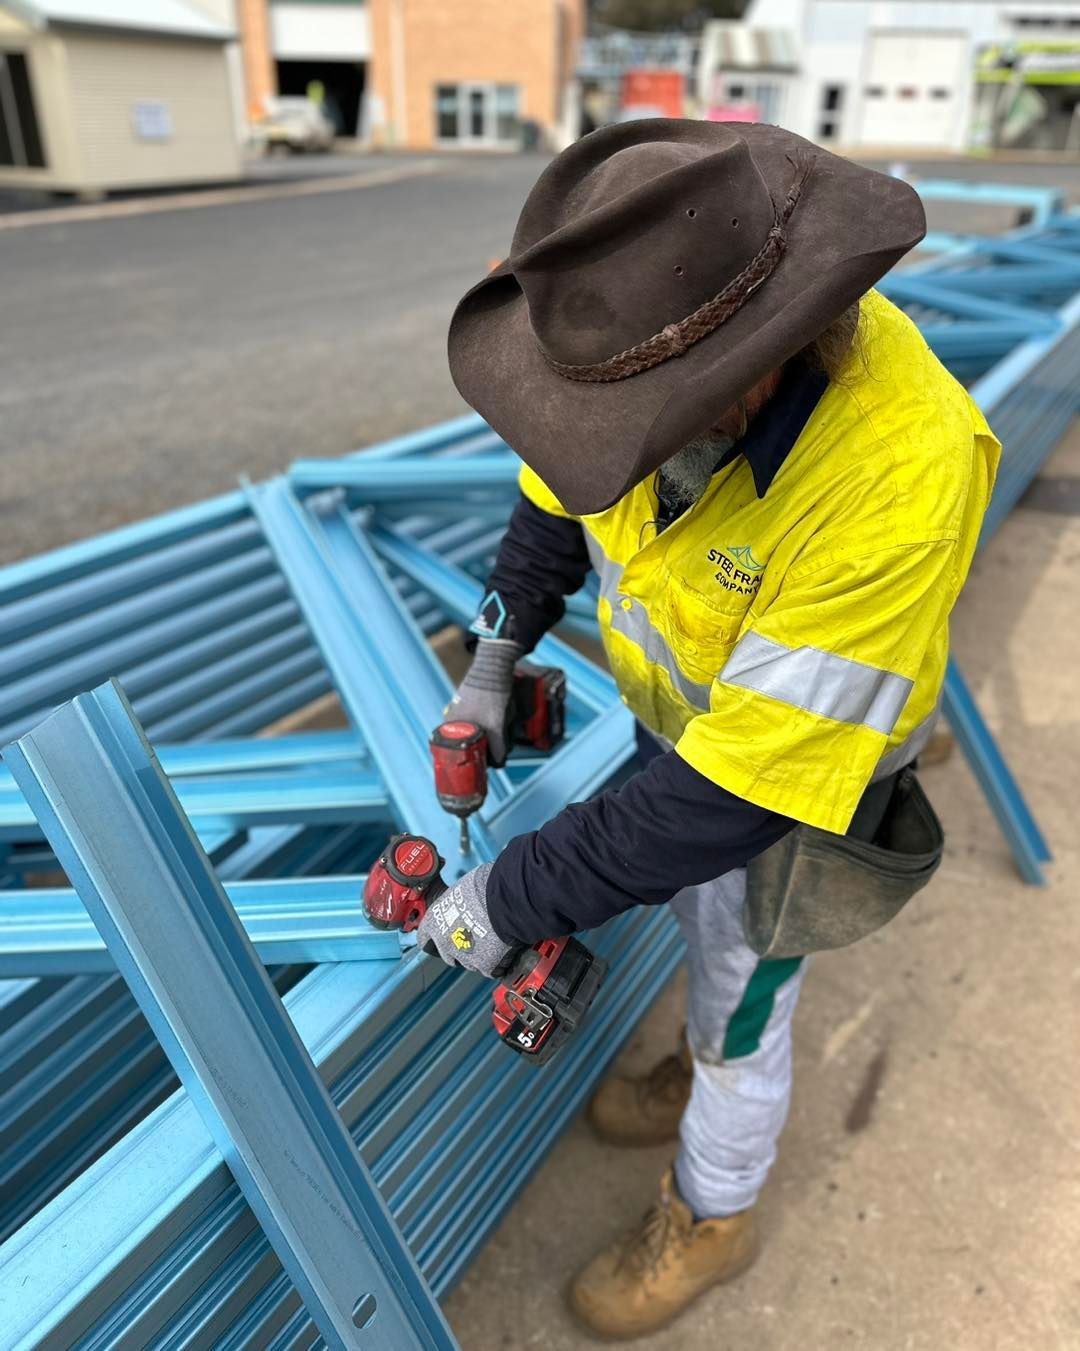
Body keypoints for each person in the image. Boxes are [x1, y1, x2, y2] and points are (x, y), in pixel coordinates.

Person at [416, 120, 1001, 1340]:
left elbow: (734, 797)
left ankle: (715, 1207)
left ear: (757, 359)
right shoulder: (627, 358)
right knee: (696, 918)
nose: (607, 452)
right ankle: (695, 1060)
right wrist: (497, 651)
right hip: (681, 717)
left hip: (788, 768)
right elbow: (554, 505)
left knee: (746, 987)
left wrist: (508, 898)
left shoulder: (896, 476)